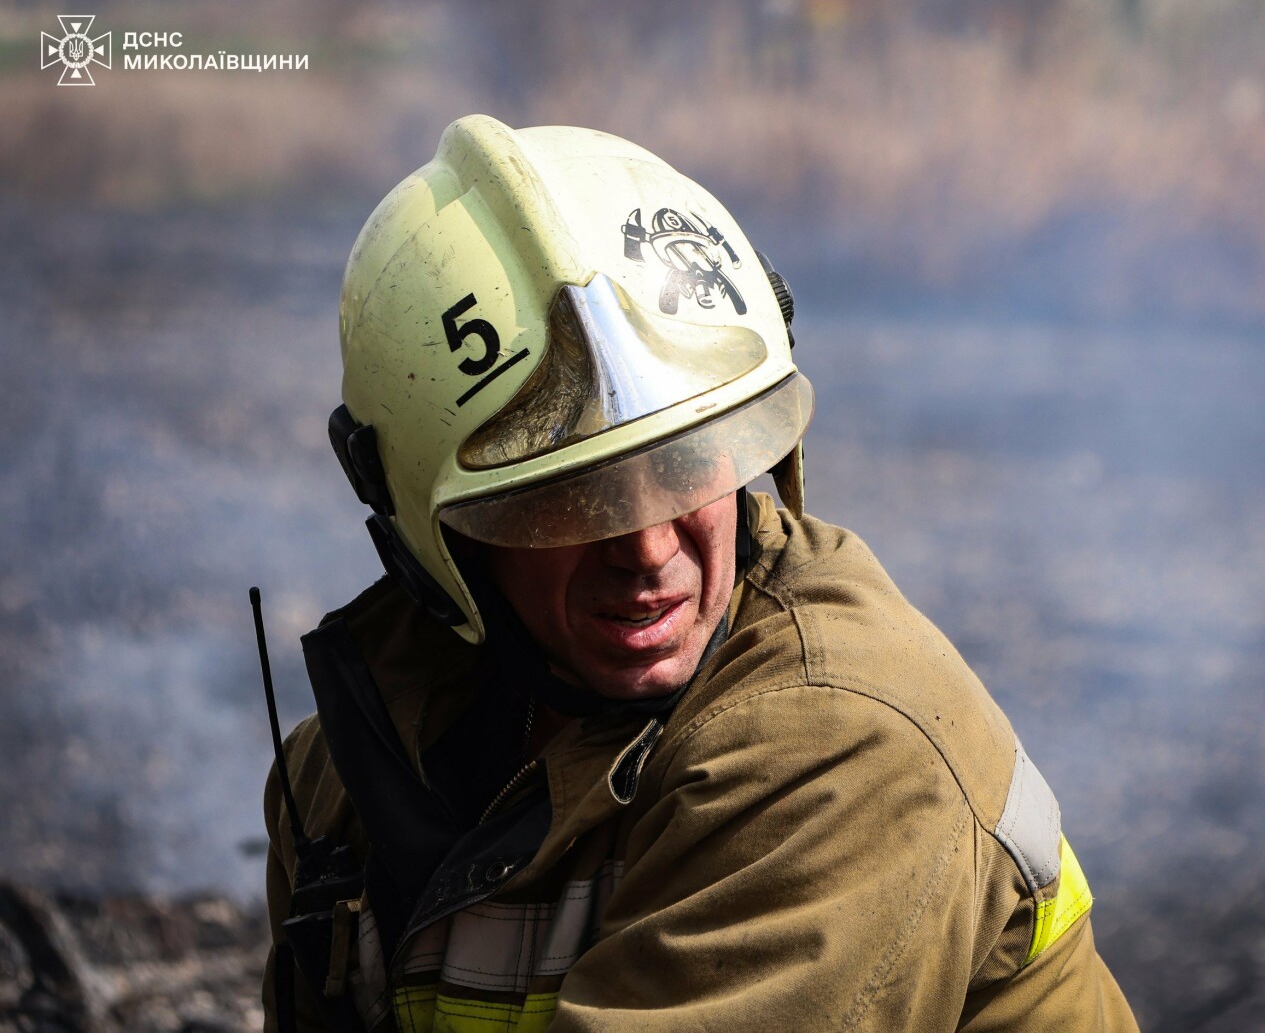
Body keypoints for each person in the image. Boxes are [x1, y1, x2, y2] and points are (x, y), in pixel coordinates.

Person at [263, 114, 1139, 1032]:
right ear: (433, 527)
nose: (647, 551)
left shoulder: (844, 754)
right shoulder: (345, 775)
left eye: (689, 464)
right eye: (568, 501)